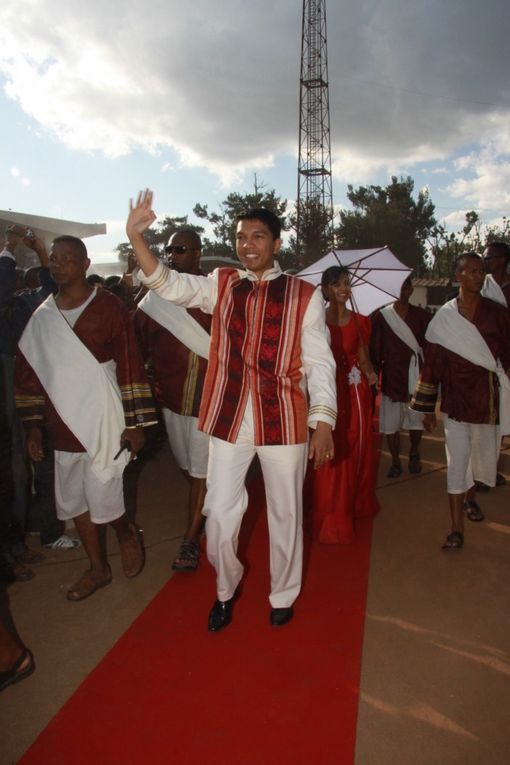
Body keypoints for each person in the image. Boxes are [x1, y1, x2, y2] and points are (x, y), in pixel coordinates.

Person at [126, 191, 337, 631]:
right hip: (228, 414)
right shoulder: (221, 284)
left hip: (285, 417)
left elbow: (320, 363)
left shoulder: (304, 295)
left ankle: (283, 593)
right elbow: (168, 284)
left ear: (276, 244)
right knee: (220, 512)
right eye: (241, 237)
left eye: (258, 236)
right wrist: (136, 238)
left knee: (286, 511)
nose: (248, 245)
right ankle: (227, 585)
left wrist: (323, 422)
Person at [15, 235, 157, 600]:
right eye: (55, 259)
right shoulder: (43, 315)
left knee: (104, 491)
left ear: (85, 264)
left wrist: (136, 422)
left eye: (67, 258)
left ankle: (125, 532)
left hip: (103, 415)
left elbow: (129, 363)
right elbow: (28, 373)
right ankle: (97, 569)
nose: (58, 264)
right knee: (76, 501)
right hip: (62, 421)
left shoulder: (108, 306)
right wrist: (33, 426)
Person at [410, 253, 510, 550]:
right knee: (456, 465)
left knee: (480, 465)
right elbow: (432, 366)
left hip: (487, 401)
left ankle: (470, 499)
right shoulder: (444, 319)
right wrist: (427, 410)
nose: (480, 275)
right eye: (472, 271)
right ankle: (455, 529)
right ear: (459, 276)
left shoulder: (497, 313)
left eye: (481, 270)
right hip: (454, 404)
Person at [134, 229, 211, 572]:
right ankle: (205, 508)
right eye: (170, 249)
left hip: (210, 403)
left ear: (198, 253)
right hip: (172, 402)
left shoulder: (215, 293)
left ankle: (190, 539)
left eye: (181, 249)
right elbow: (134, 348)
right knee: (189, 468)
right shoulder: (152, 301)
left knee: (200, 473)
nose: (173, 254)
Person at [309, 266, 379, 544]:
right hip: (325, 392)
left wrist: (372, 376)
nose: (344, 289)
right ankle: (329, 512)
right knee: (329, 451)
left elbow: (363, 359)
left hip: (353, 392)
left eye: (347, 284)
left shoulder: (360, 321)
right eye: (337, 284)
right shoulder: (315, 319)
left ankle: (353, 502)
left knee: (354, 448)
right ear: (325, 289)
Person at [371, 275, 430, 477]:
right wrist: (374, 375)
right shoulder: (382, 316)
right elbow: (376, 349)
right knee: (391, 425)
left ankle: (414, 452)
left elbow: (430, 348)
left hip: (417, 376)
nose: (401, 292)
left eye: (405, 287)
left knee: (416, 421)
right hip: (392, 377)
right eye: (397, 287)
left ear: (411, 290)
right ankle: (395, 461)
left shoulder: (422, 316)